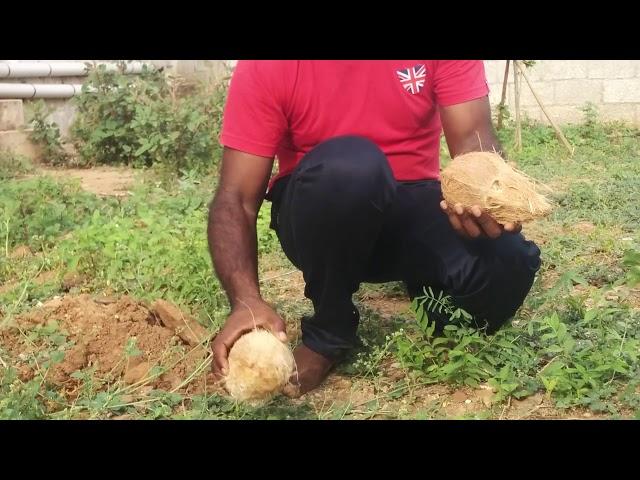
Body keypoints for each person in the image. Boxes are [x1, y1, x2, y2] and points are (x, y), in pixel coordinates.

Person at [207, 60, 541, 397]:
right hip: (322, 207)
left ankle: (430, 297)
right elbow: (236, 197)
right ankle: (329, 331)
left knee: (509, 261)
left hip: (412, 200)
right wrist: (245, 300)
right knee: (354, 168)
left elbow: (473, 138)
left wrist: (482, 189)